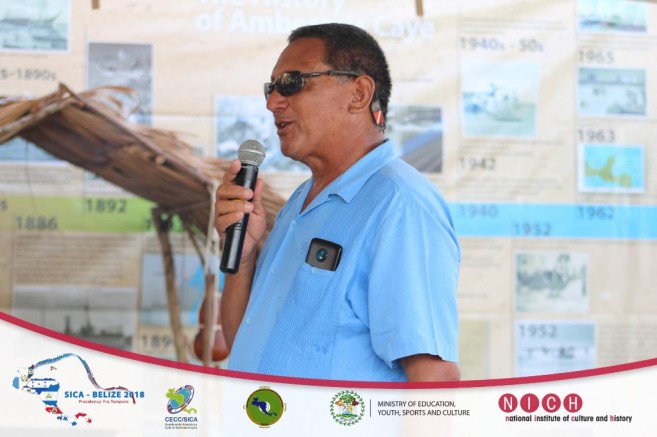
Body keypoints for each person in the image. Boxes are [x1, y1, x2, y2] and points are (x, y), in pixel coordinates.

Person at [214, 23, 461, 382]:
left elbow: (435, 378)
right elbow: (247, 344)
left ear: (359, 94)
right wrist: (244, 256)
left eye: (292, 82)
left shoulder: (400, 206)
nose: (272, 103)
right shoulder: (300, 202)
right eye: (271, 87)